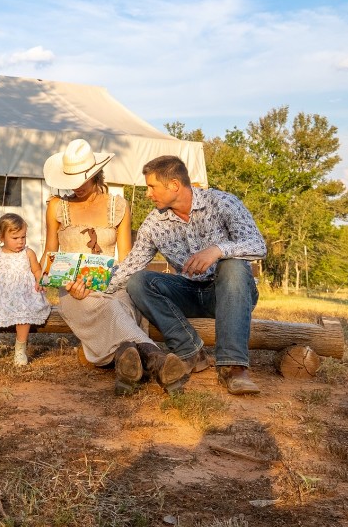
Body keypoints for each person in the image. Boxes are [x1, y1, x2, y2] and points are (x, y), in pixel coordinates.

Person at [109, 155, 267, 396]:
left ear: (173, 185)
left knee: (234, 266)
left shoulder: (222, 202)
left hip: (231, 293)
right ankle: (190, 351)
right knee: (138, 281)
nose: (148, 194)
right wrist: (98, 288)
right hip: (189, 293)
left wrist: (218, 250)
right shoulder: (154, 223)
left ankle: (234, 368)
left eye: (152, 187)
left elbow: (258, 244)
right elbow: (131, 265)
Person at [43, 139, 186, 396]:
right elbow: (49, 255)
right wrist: (47, 280)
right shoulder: (57, 206)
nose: (75, 188)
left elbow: (128, 259)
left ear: (95, 173)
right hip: (74, 291)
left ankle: (125, 358)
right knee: (106, 306)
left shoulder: (118, 206)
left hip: (112, 284)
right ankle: (156, 358)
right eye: (70, 182)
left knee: (118, 301)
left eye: (81, 180)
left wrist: (114, 284)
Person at [0, 213, 51, 366]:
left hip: (23, 294)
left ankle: (20, 350)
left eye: (23, 237)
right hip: (1, 294)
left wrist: (39, 280)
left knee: (24, 317)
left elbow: (36, 270)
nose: (20, 242)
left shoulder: (28, 253)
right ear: (1, 237)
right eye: (15, 238)